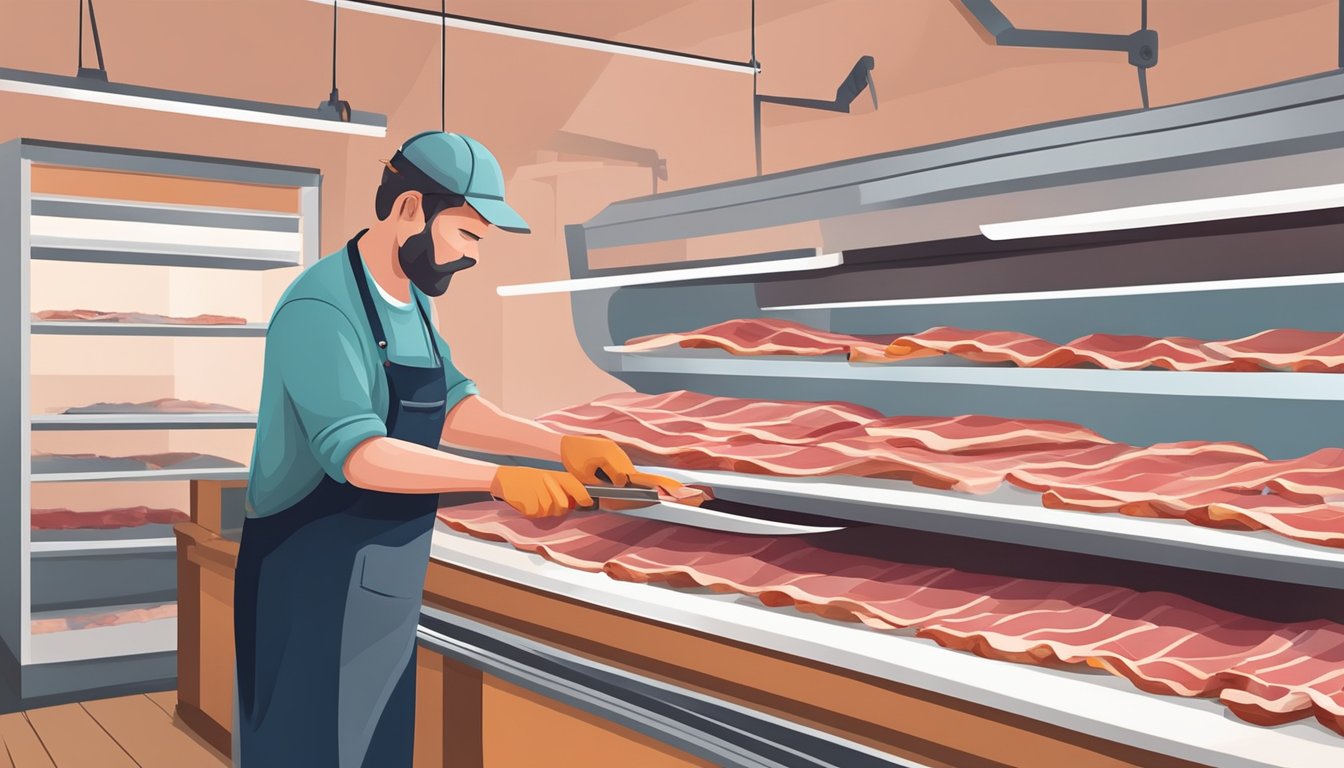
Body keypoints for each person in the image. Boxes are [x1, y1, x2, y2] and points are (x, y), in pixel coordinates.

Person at [233, 130, 693, 767]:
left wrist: (560, 444)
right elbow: (358, 453)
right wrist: (499, 479)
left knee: (375, 746)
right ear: (410, 210)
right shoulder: (320, 307)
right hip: (306, 574)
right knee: (307, 748)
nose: (471, 255)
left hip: (385, 575)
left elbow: (451, 403)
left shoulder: (414, 302)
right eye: (468, 234)